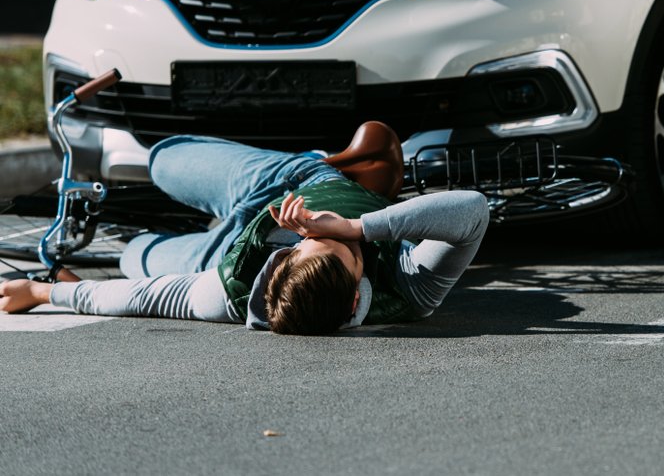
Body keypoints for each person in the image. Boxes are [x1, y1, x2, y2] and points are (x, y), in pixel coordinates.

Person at [0, 128, 490, 334]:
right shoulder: (412, 292)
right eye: (312, 240)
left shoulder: (227, 296)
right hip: (294, 182)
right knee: (161, 158)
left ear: (358, 292)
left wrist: (41, 293)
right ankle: (349, 169)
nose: (315, 230)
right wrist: (358, 225)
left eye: (338, 244)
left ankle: (195, 232)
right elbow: (472, 212)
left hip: (219, 255)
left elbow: (132, 297)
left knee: (135, 255)